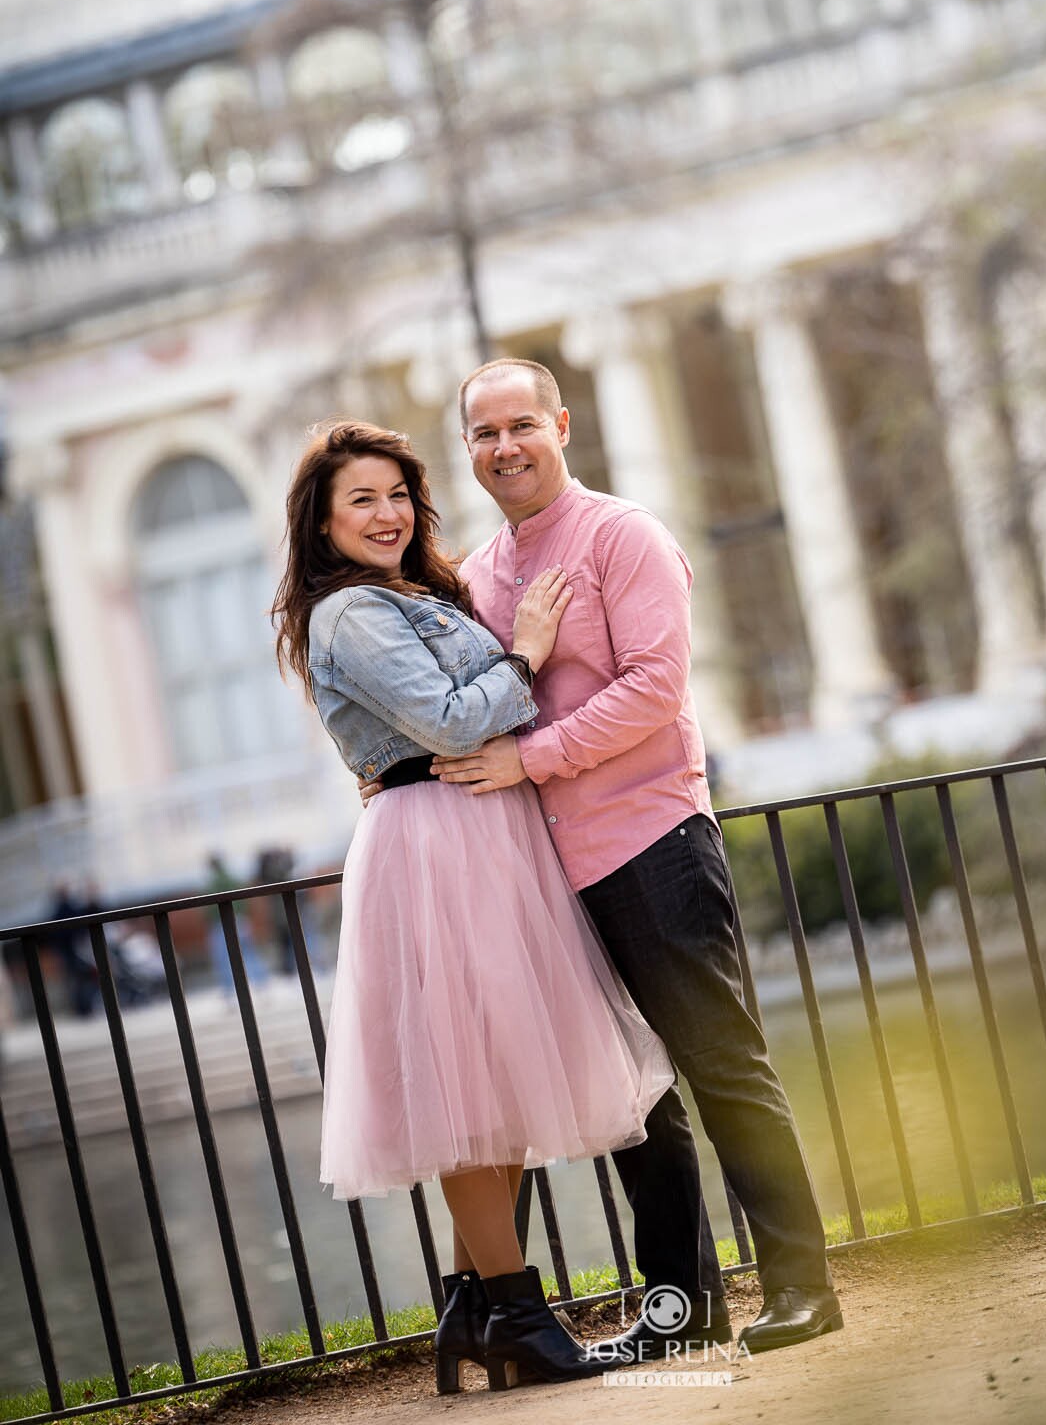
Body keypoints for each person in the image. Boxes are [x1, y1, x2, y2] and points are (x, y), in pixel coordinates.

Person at [368, 358, 843, 1359]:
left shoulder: (623, 536)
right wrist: (399, 771)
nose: (505, 446)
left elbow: (655, 687)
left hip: (651, 840)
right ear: (468, 448)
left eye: (522, 424)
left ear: (562, 425)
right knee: (637, 1099)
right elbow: (476, 704)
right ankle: (682, 1312)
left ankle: (802, 1285)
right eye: (485, 433)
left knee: (720, 1064)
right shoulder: (480, 574)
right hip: (548, 874)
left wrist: (530, 757)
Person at [273, 420, 673, 1390]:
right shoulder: (349, 611)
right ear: (322, 523)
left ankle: (471, 1306)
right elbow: (449, 722)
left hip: (482, 832)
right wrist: (525, 653)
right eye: (361, 500)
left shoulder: (418, 592)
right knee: (467, 1085)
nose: (386, 514)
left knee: (490, 1077)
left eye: (397, 495)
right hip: (435, 843)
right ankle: (519, 1316)